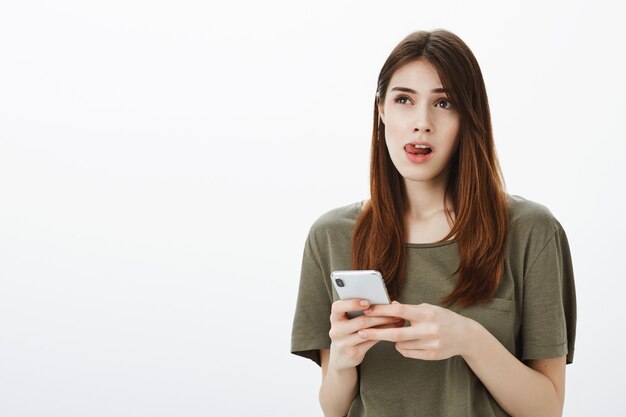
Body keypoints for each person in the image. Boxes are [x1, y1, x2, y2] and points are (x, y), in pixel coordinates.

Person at [290, 29, 576, 417]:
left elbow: (547, 409)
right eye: (404, 99)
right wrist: (341, 361)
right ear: (381, 110)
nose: (421, 122)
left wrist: (470, 339)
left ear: (468, 117)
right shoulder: (331, 236)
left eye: (444, 103)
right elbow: (333, 408)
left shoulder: (531, 231)